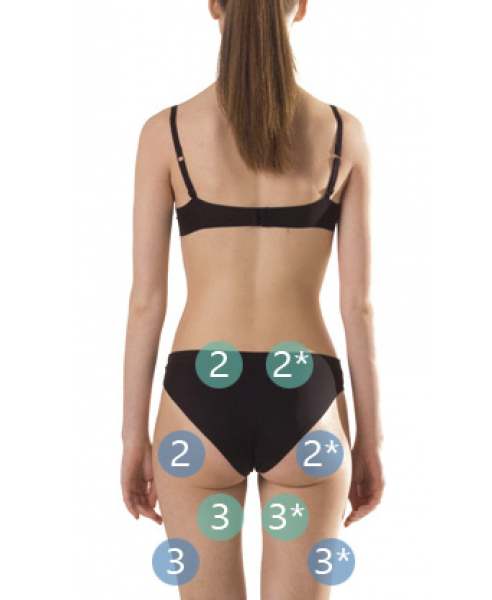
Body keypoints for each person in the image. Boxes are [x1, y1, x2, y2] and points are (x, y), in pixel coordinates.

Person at [121, 0, 384, 597]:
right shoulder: (343, 134)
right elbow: (358, 306)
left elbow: (146, 302)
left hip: (197, 404)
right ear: (301, 6)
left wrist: (133, 436)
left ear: (214, 6)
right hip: (306, 402)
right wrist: (370, 439)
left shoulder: (166, 133)